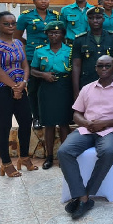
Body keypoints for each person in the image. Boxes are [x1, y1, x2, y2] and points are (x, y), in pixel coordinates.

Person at [58, 55, 113, 220]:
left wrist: (104, 124)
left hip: (110, 130)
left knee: (108, 151)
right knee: (64, 151)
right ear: (96, 68)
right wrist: (85, 122)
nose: (104, 69)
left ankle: (86, 194)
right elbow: (76, 113)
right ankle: (81, 196)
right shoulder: (87, 88)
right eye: (100, 66)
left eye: (108, 66)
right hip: (87, 129)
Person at [0, 11, 38, 177]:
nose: (11, 26)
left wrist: (23, 84)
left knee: (26, 121)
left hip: (20, 88)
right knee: (4, 125)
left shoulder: (18, 43)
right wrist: (15, 87)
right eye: (6, 23)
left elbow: (25, 66)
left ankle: (24, 158)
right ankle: (6, 163)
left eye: (13, 23)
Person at [14, 0, 60, 130]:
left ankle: (50, 116)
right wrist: (29, 45)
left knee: (50, 87)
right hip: (32, 56)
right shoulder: (25, 17)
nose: (43, 2)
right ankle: (36, 117)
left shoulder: (55, 16)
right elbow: (17, 36)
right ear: (34, 1)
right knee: (33, 88)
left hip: (51, 55)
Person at [30, 21, 73, 170]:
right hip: (47, 88)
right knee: (48, 124)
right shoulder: (40, 51)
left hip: (64, 87)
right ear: (47, 35)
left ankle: (64, 156)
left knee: (64, 123)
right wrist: (43, 74)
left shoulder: (70, 50)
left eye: (57, 33)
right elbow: (32, 70)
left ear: (63, 34)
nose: (54, 35)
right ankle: (49, 157)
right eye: (51, 33)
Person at [71, 6, 113, 96]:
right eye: (91, 18)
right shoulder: (80, 40)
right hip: (88, 82)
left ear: (103, 19)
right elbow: (76, 65)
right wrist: (76, 91)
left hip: (110, 83)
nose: (95, 21)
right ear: (87, 20)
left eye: (98, 18)